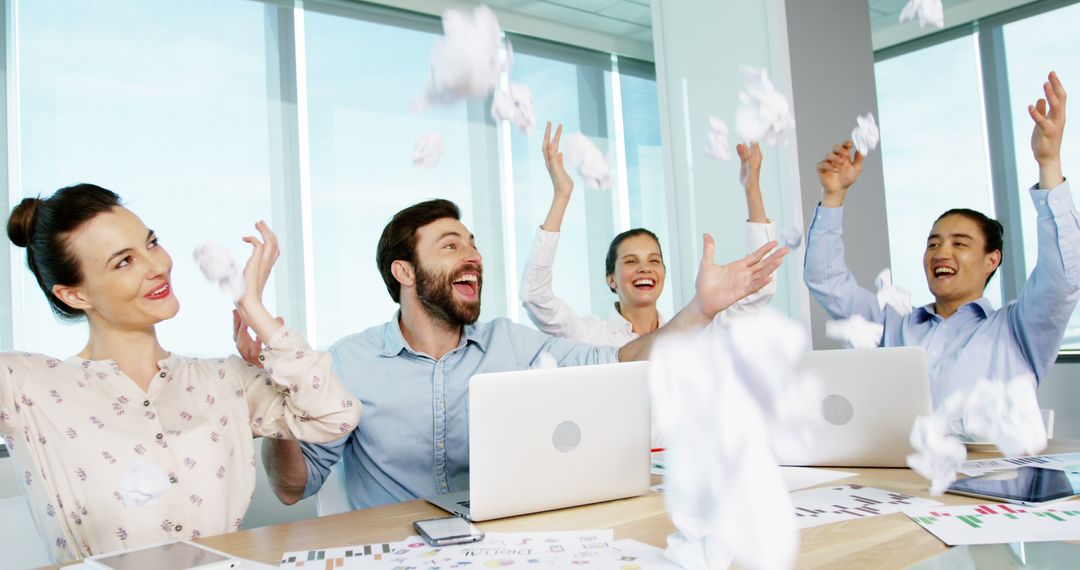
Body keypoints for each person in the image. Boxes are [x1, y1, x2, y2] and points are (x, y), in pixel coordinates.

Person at [261, 198, 788, 511]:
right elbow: (292, 488)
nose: (473, 256)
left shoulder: (511, 344)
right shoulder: (348, 363)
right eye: (450, 246)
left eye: (473, 244)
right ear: (404, 272)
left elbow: (619, 362)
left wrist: (701, 309)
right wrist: (277, 406)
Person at [0, 184, 361, 561]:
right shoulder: (24, 384)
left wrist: (253, 307)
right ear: (74, 296)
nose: (158, 266)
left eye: (152, 243)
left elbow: (337, 416)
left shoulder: (224, 380)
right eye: (124, 261)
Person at [804, 71, 1078, 406]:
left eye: (959, 243)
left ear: (992, 259)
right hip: (904, 459)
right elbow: (825, 279)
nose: (940, 252)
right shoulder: (890, 325)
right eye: (933, 243)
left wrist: (1049, 163)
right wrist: (833, 196)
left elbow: (1063, 278)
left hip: (991, 460)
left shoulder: (1018, 328)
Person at [521, 122, 777, 346]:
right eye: (631, 261)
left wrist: (752, 189)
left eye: (654, 261)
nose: (645, 269)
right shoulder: (589, 336)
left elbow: (759, 290)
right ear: (611, 279)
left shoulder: (692, 332)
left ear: (664, 272)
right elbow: (536, 297)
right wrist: (562, 194)